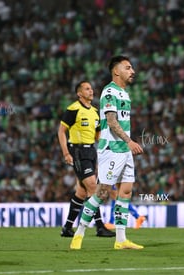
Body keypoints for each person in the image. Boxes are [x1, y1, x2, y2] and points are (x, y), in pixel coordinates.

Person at [70, 55, 144, 250]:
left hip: (124, 150)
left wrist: (127, 143)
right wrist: (129, 141)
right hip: (112, 149)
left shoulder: (124, 93)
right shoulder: (110, 92)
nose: (132, 71)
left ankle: (120, 240)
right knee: (102, 192)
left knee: (126, 191)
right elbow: (111, 122)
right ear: (116, 71)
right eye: (128, 68)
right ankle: (79, 233)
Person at [58, 81, 115, 238]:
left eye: (91, 88)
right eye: (87, 89)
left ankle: (67, 227)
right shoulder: (73, 109)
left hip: (91, 151)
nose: (91, 91)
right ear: (79, 93)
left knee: (82, 192)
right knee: (92, 187)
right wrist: (66, 153)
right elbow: (61, 131)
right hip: (77, 151)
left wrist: (105, 148)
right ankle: (100, 227)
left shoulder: (95, 112)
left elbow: (98, 135)